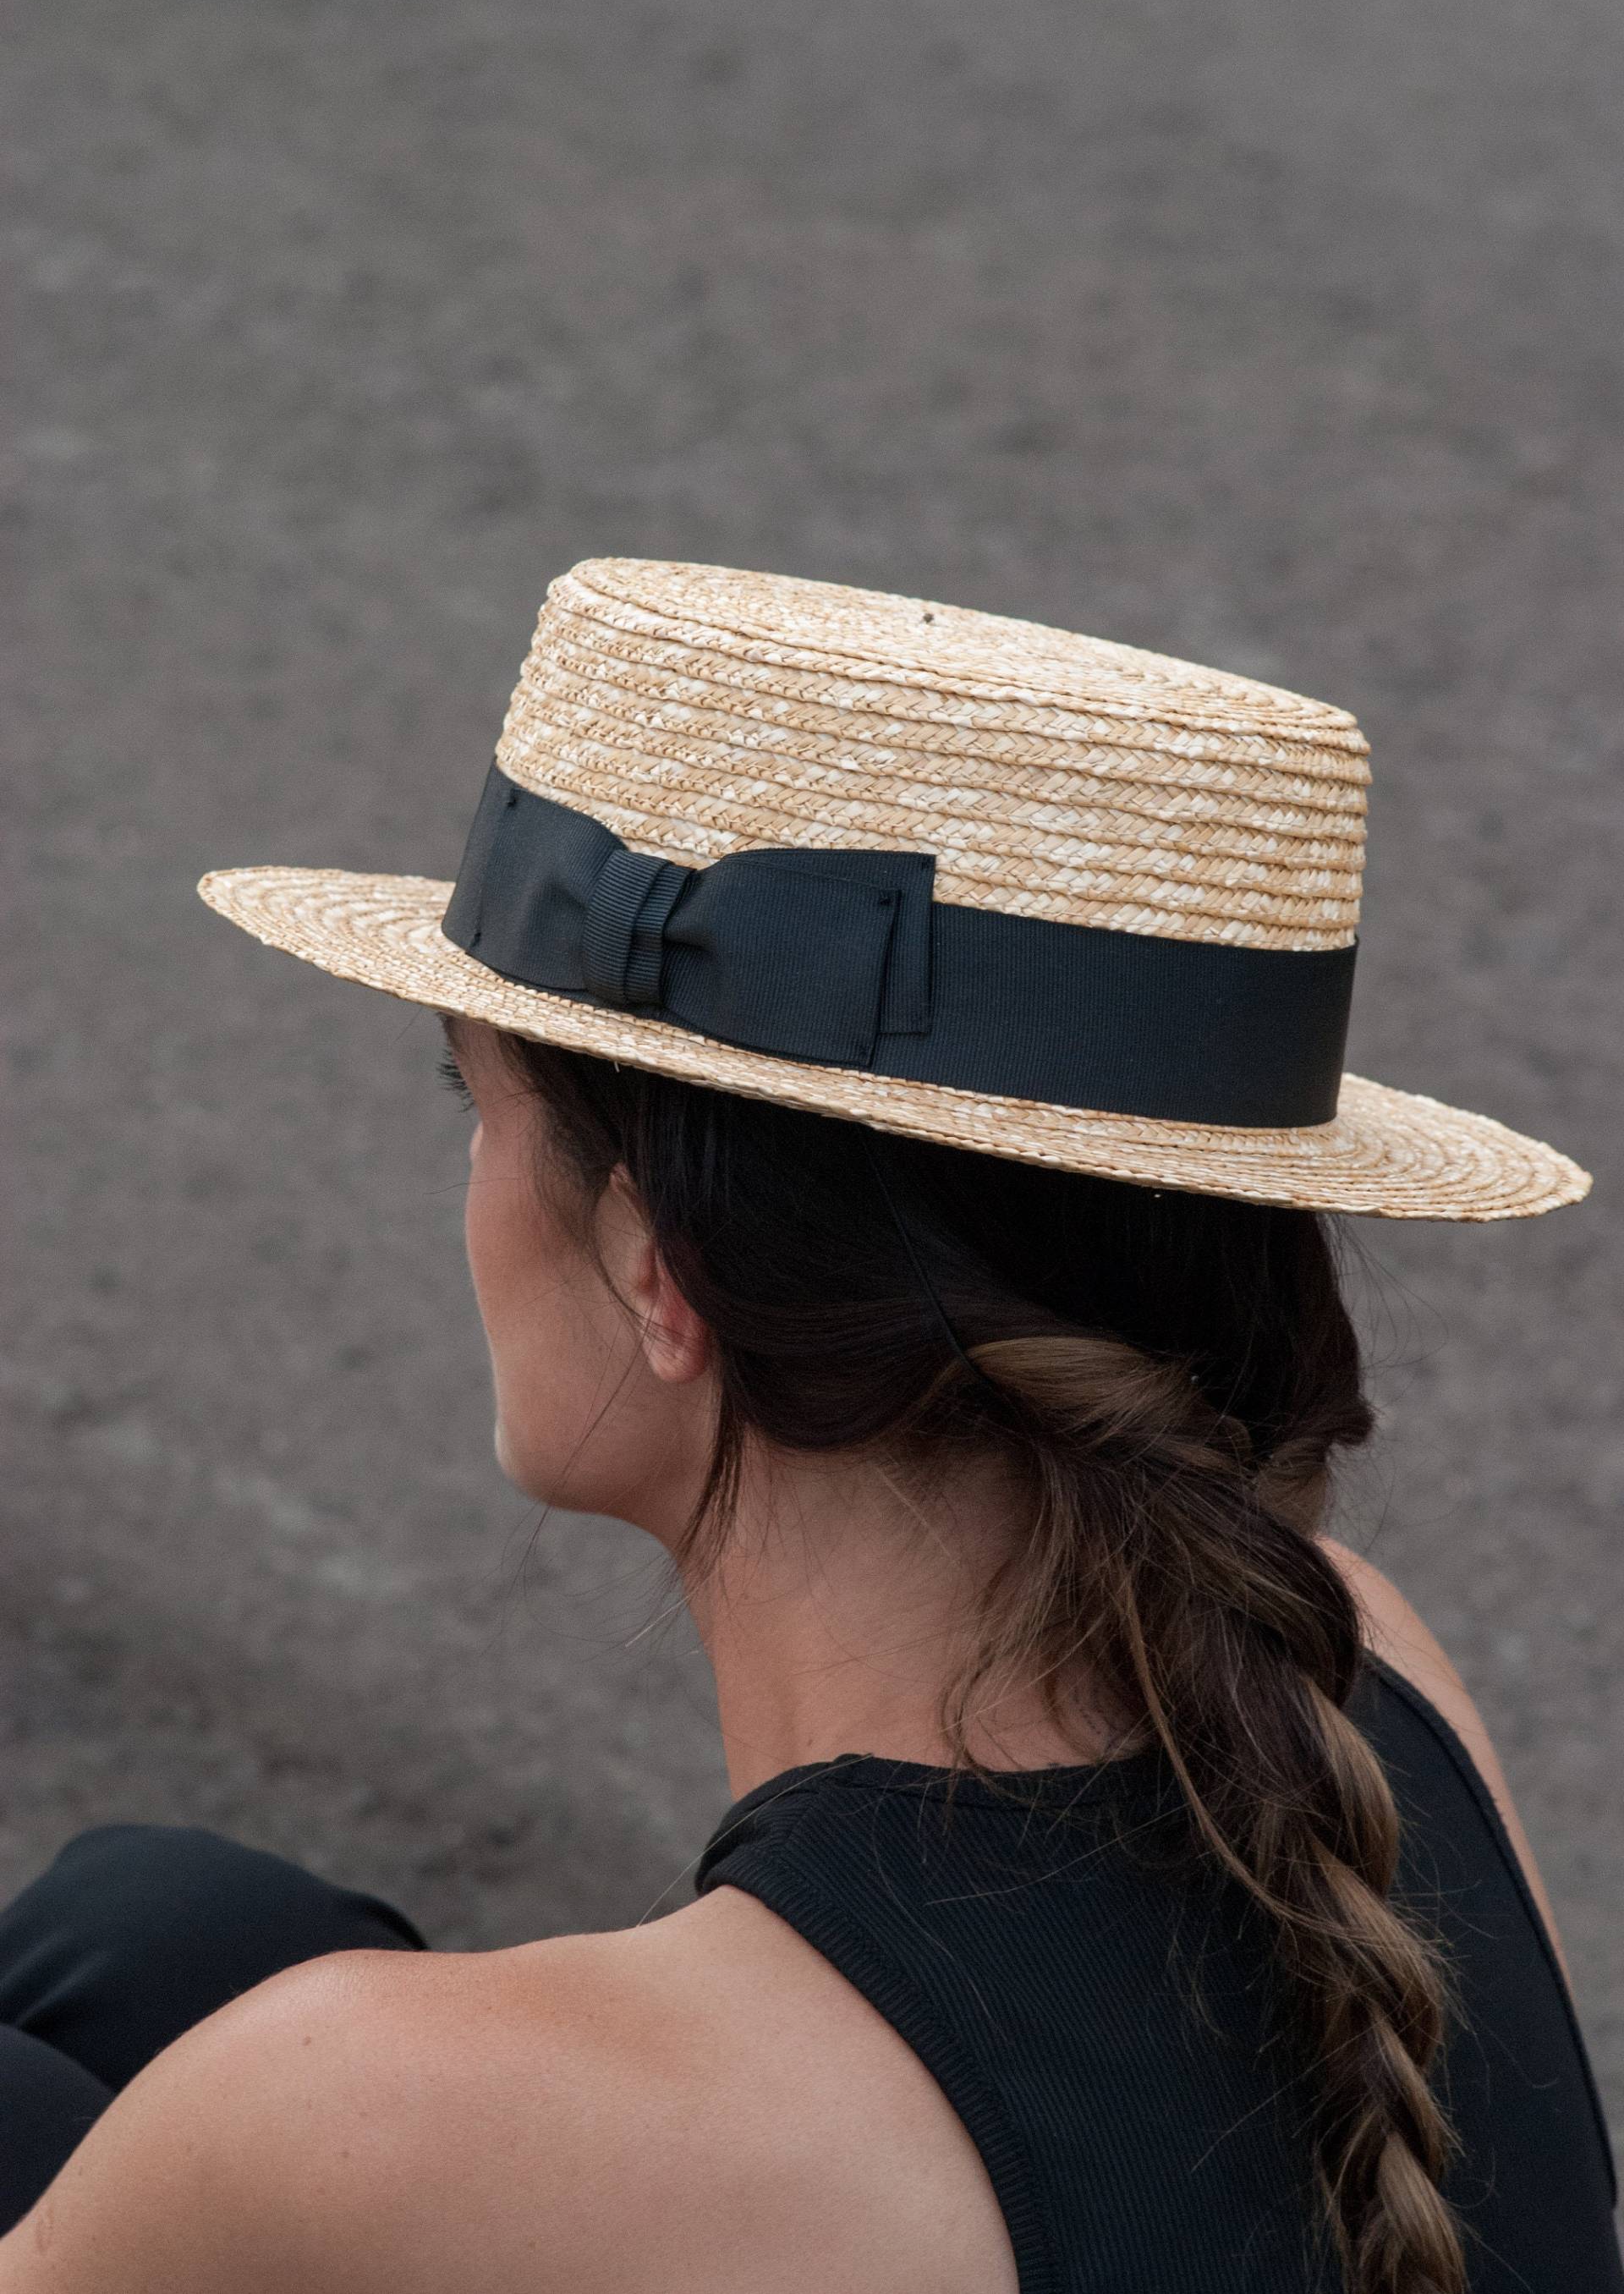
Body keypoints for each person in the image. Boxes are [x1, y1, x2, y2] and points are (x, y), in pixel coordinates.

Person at [0, 560, 1614, 2293]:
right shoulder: (1361, 1677)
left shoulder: (363, 2119)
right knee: (167, 1926)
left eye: (472, 1098)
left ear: (656, 1264)